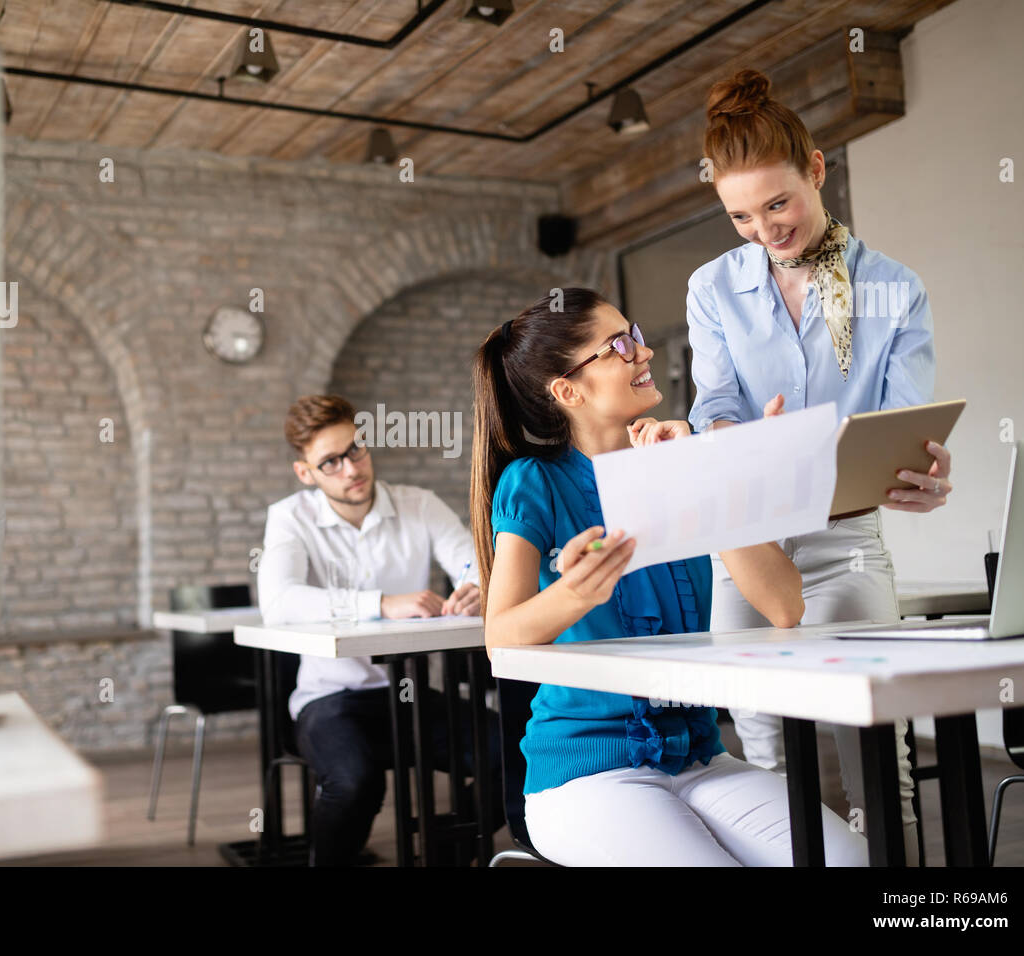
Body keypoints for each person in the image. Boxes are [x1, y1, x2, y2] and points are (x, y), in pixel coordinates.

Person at [470, 288, 867, 866]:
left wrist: (705, 477)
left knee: (849, 861)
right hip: (586, 772)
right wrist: (577, 591)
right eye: (618, 346)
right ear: (568, 390)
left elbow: (785, 606)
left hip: (701, 757)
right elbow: (499, 637)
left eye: (635, 334)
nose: (644, 351)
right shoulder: (534, 481)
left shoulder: (684, 457)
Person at [686, 68, 954, 863]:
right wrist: (742, 438)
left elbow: (900, 426)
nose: (765, 229)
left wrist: (920, 474)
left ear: (817, 168)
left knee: (875, 751)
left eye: (778, 203)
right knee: (765, 755)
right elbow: (713, 406)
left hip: (846, 543)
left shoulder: (893, 289)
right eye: (740, 215)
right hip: (748, 547)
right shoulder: (712, 289)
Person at [256, 394, 502, 865]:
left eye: (356, 450)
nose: (351, 468)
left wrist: (477, 585)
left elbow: (476, 563)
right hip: (328, 701)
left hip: (407, 693)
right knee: (356, 781)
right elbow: (279, 602)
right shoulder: (290, 517)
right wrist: (380, 605)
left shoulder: (419, 504)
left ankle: (446, 854)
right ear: (305, 473)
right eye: (331, 462)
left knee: (516, 752)